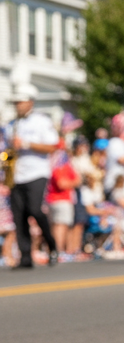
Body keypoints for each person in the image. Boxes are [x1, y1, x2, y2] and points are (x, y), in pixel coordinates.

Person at [4, 65, 59, 268]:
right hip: (17, 175)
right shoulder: (11, 125)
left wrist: (26, 144)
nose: (17, 105)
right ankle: (25, 256)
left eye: (20, 101)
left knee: (35, 210)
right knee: (19, 217)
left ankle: (51, 244)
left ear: (30, 102)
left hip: (37, 173)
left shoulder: (41, 121)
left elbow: (52, 146)